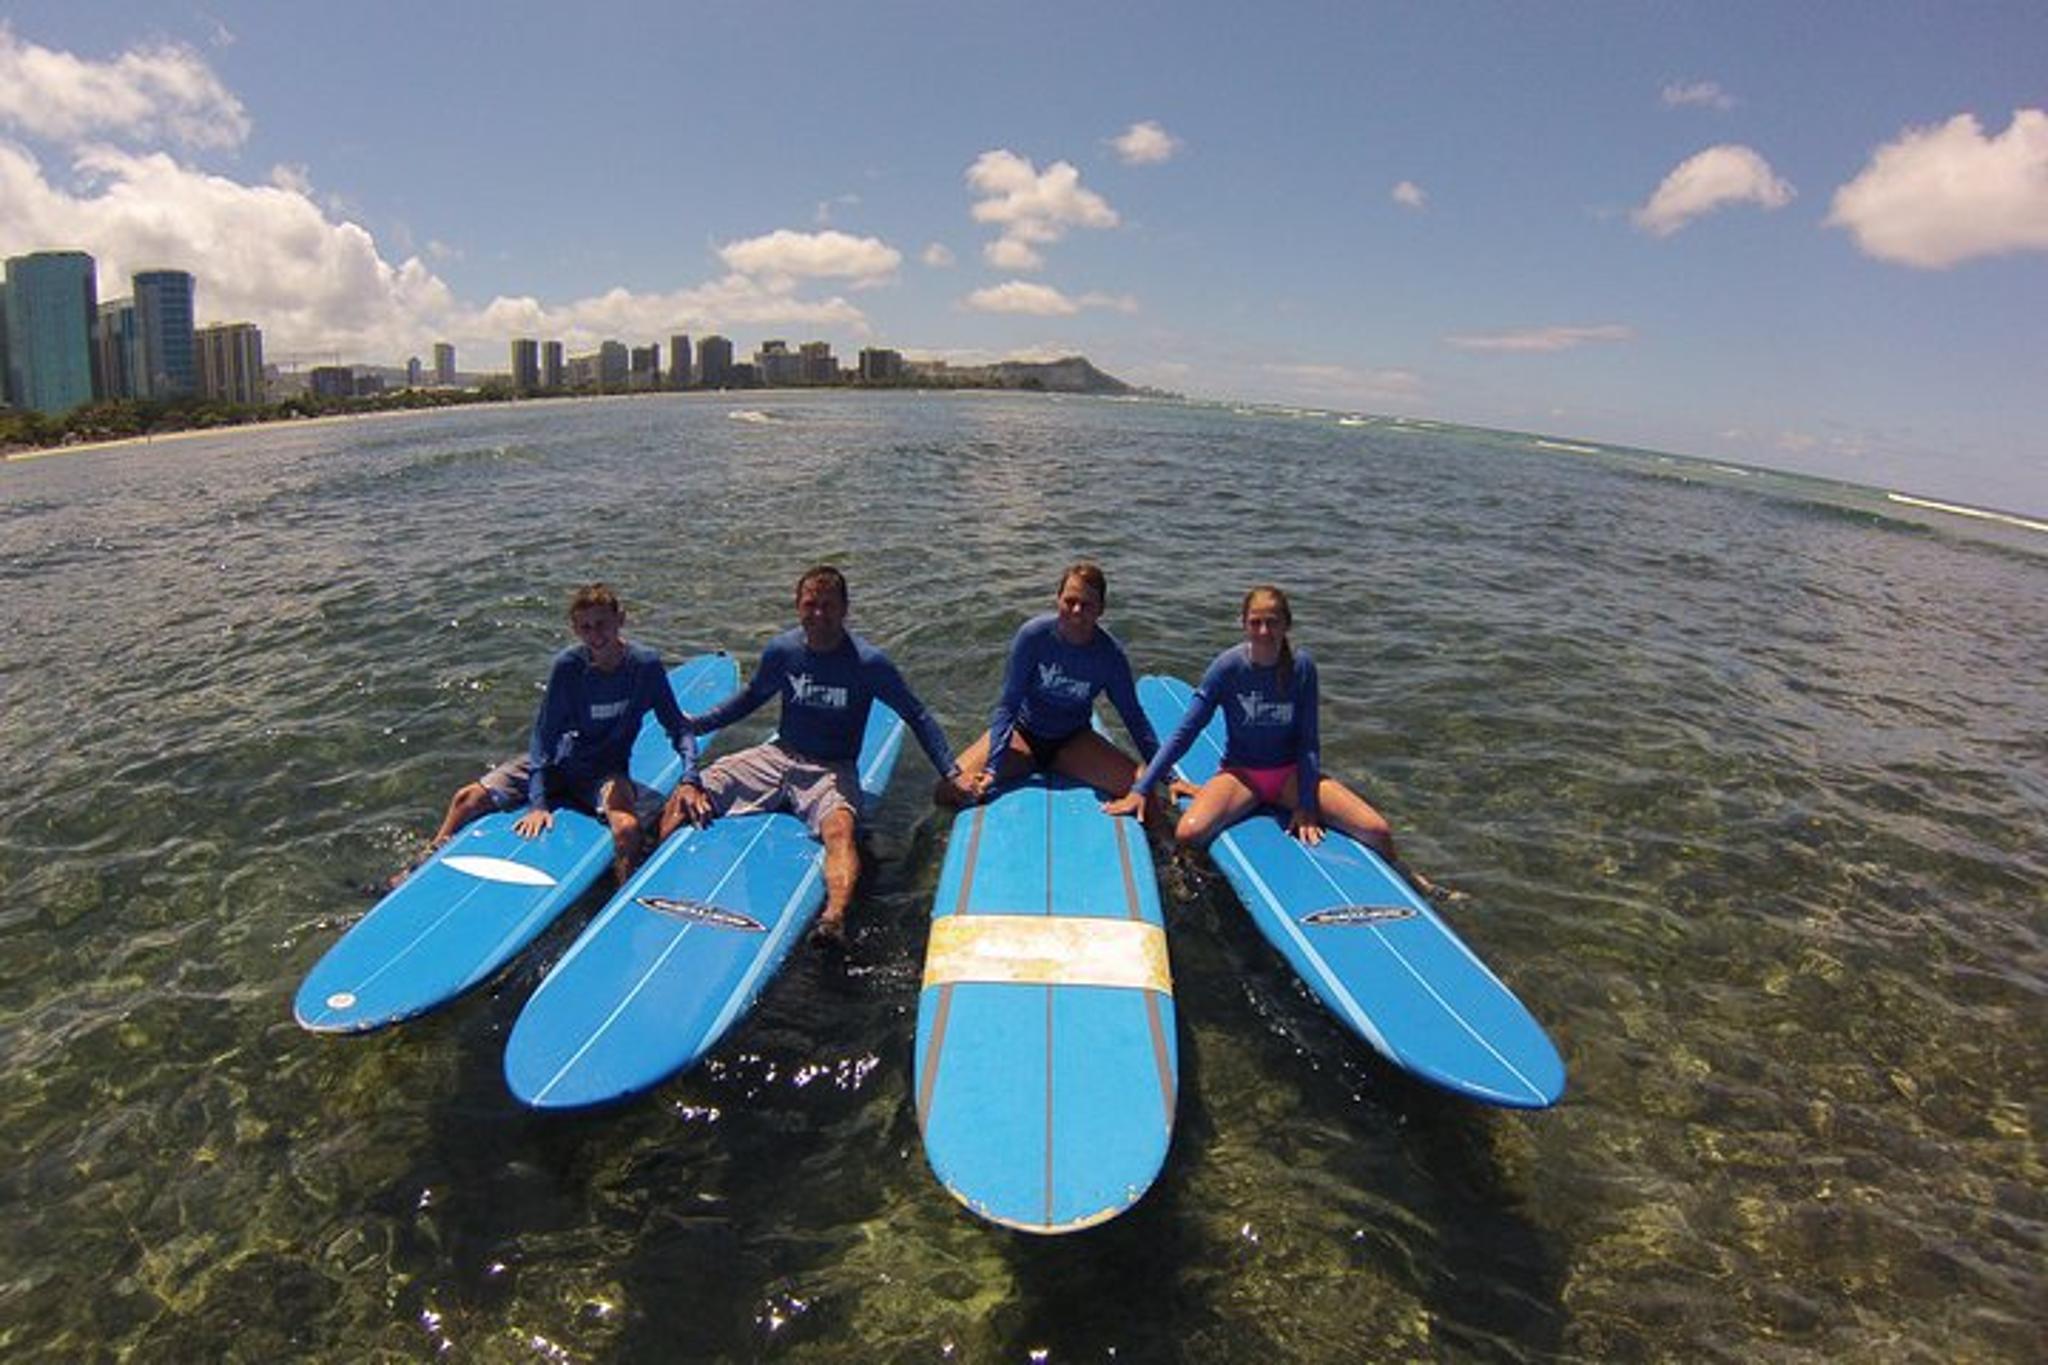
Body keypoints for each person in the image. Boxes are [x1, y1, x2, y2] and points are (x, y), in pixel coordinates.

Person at [661, 565, 975, 944]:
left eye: (828, 606)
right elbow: (751, 699)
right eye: (811, 605)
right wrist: (697, 725)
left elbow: (917, 714)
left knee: (841, 831)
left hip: (831, 769)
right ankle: (646, 879)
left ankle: (833, 919)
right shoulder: (783, 651)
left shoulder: (867, 663)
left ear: (845, 610)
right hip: (779, 756)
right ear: (798, 607)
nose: (819, 615)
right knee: (688, 793)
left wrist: (951, 771)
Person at [406, 582, 695, 886]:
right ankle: (422, 867)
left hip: (605, 773)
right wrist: (539, 803)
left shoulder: (644, 666)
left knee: (627, 829)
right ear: (575, 629)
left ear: (620, 620)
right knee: (466, 799)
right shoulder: (568, 667)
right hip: (557, 764)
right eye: (586, 628)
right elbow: (543, 738)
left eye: (602, 625)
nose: (595, 635)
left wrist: (690, 777)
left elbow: (677, 726)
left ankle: (621, 891)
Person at [1104, 585, 1399, 859]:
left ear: (1287, 625)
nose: (1264, 630)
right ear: (1243, 623)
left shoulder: (1302, 667)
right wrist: (1141, 789)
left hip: (1290, 777)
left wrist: (1307, 805)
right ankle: (1191, 877)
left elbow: (1308, 742)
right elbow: (1186, 732)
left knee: (1377, 830)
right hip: (1241, 776)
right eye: (1255, 622)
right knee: (1188, 832)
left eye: (1272, 622)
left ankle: (1412, 882)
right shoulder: (1228, 668)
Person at [939, 561, 1169, 806]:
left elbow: (1133, 717)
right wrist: (993, 769)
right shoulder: (1033, 636)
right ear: (1058, 600)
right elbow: (1008, 706)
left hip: (1073, 742)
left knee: (1145, 790)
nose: (1077, 610)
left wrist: (1168, 776)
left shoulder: (1110, 655)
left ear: (1101, 609)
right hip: (1022, 737)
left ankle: (1167, 842)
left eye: (1087, 604)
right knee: (947, 789)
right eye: (1070, 601)